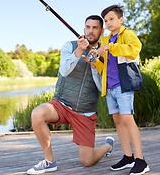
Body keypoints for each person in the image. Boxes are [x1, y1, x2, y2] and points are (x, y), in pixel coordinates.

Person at [27, 15, 114, 174]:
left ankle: (108, 145)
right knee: (37, 114)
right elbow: (64, 71)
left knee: (87, 162)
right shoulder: (69, 45)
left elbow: (103, 89)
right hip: (61, 104)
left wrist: (95, 64)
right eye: (88, 27)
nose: (91, 31)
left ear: (102, 31)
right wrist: (79, 50)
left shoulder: (106, 52)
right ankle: (49, 161)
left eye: (95, 28)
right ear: (84, 29)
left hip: (85, 112)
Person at [93, 5, 150, 175]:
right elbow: (104, 68)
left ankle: (141, 160)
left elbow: (134, 51)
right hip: (109, 88)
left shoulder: (127, 35)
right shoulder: (106, 39)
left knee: (128, 120)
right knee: (118, 121)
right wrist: (95, 61)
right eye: (106, 20)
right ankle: (128, 157)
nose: (108, 23)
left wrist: (111, 47)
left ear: (120, 19)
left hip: (123, 86)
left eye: (111, 19)